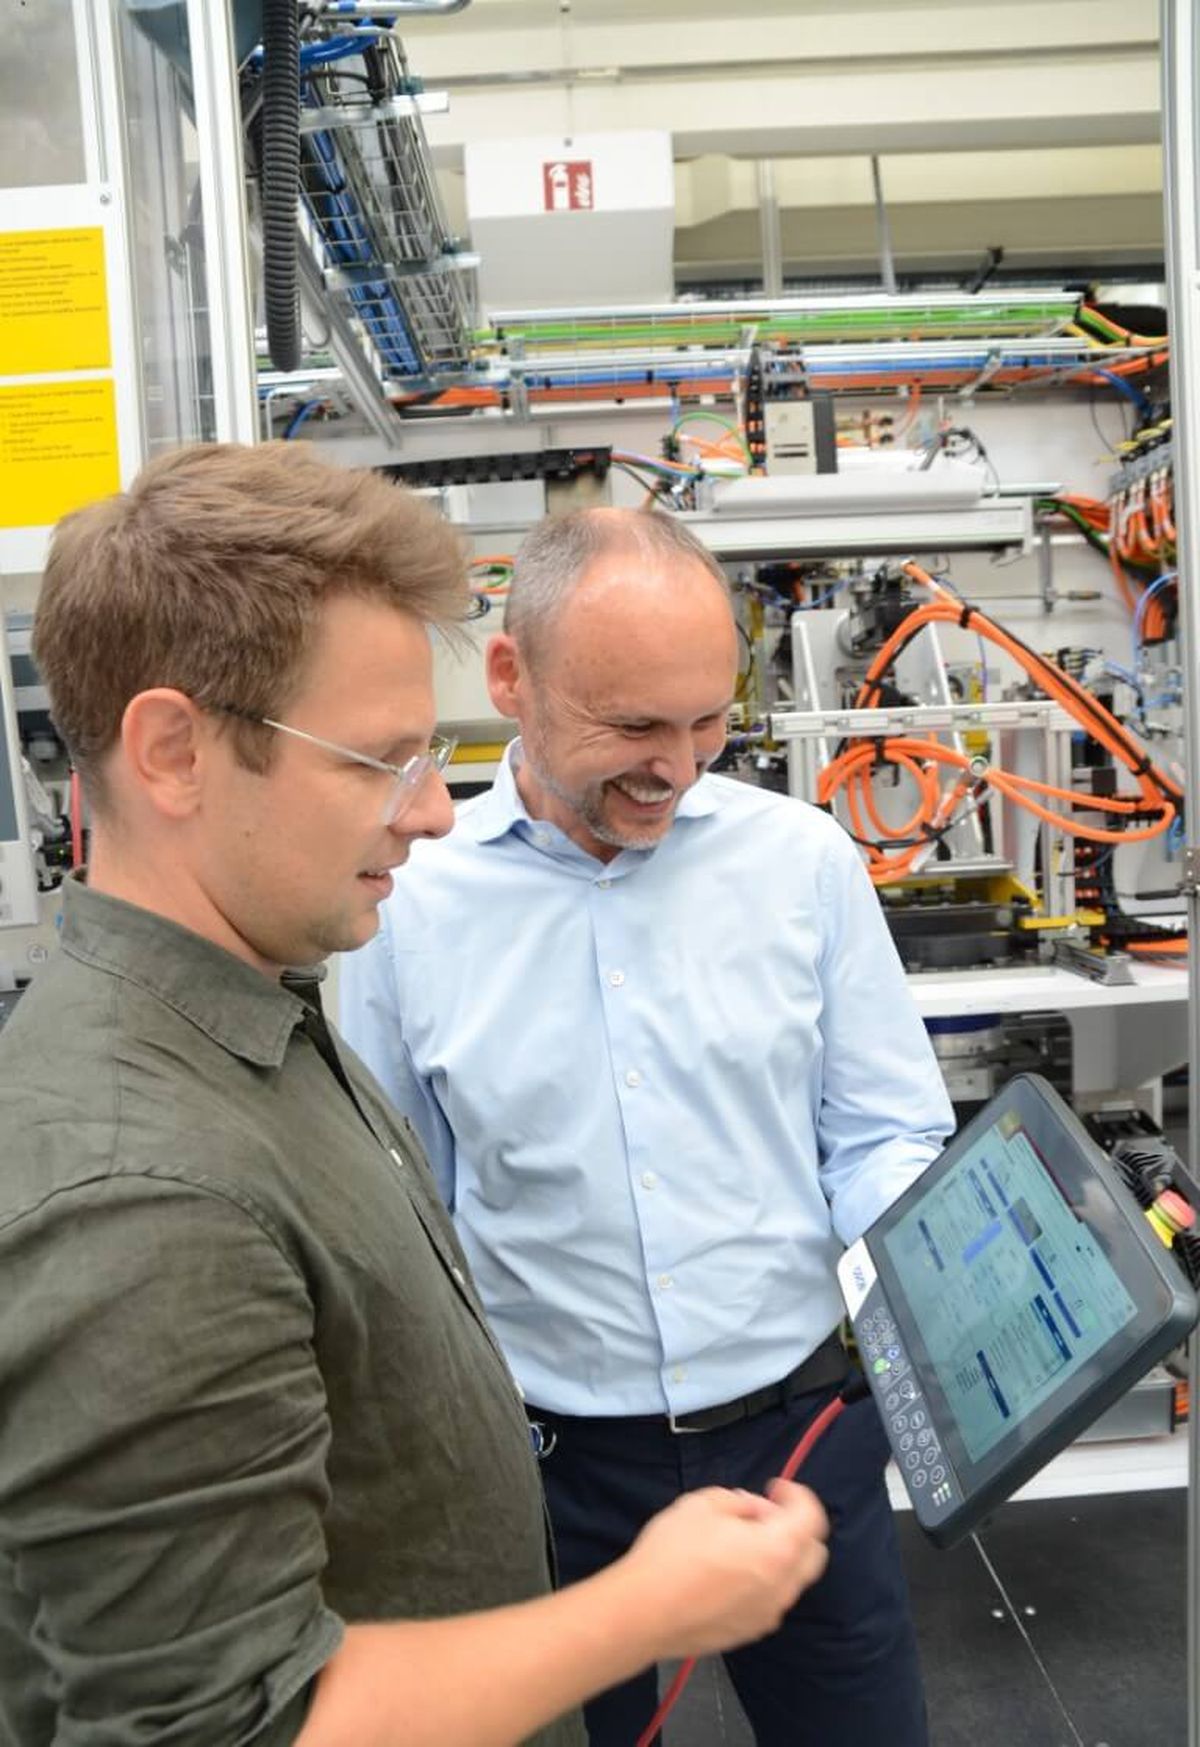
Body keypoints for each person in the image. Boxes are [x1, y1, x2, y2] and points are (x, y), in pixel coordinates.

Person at [0, 448, 832, 1747]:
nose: (438, 811)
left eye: (432, 753)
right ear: (174, 751)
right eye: (380, 760)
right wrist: (646, 1606)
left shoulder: (254, 1015)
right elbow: (237, 1725)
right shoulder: (139, 1197)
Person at [342, 504, 957, 1747]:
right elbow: (401, 1210)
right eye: (631, 727)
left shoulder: (802, 863)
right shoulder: (406, 906)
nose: (676, 766)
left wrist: (960, 1270)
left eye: (707, 721)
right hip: (551, 1467)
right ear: (510, 678)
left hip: (800, 1435)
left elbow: (882, 1132)